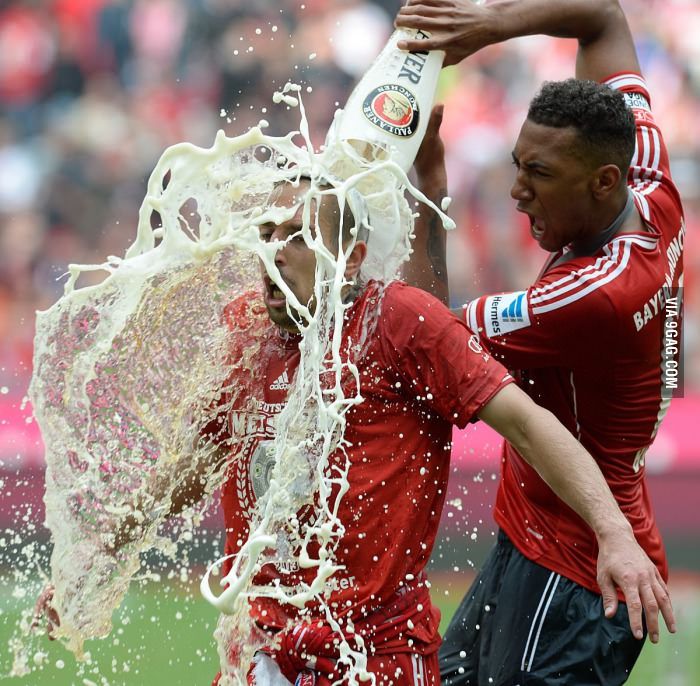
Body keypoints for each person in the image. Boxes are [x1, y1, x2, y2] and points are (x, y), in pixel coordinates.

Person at [34, 177, 672, 682]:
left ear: (350, 257)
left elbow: (529, 425)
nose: (275, 251)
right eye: (266, 233)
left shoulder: (400, 325)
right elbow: (194, 468)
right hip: (261, 650)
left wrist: (613, 531)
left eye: (298, 236)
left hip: (374, 656)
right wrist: (97, 556)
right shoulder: (245, 333)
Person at [396, 0, 683, 684]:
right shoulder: (645, 174)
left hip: (575, 574)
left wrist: (429, 193)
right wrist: (490, 26)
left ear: (603, 182)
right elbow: (603, 15)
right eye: (519, 164)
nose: (518, 192)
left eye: (541, 174)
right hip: (539, 537)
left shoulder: (595, 295)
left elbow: (425, 335)